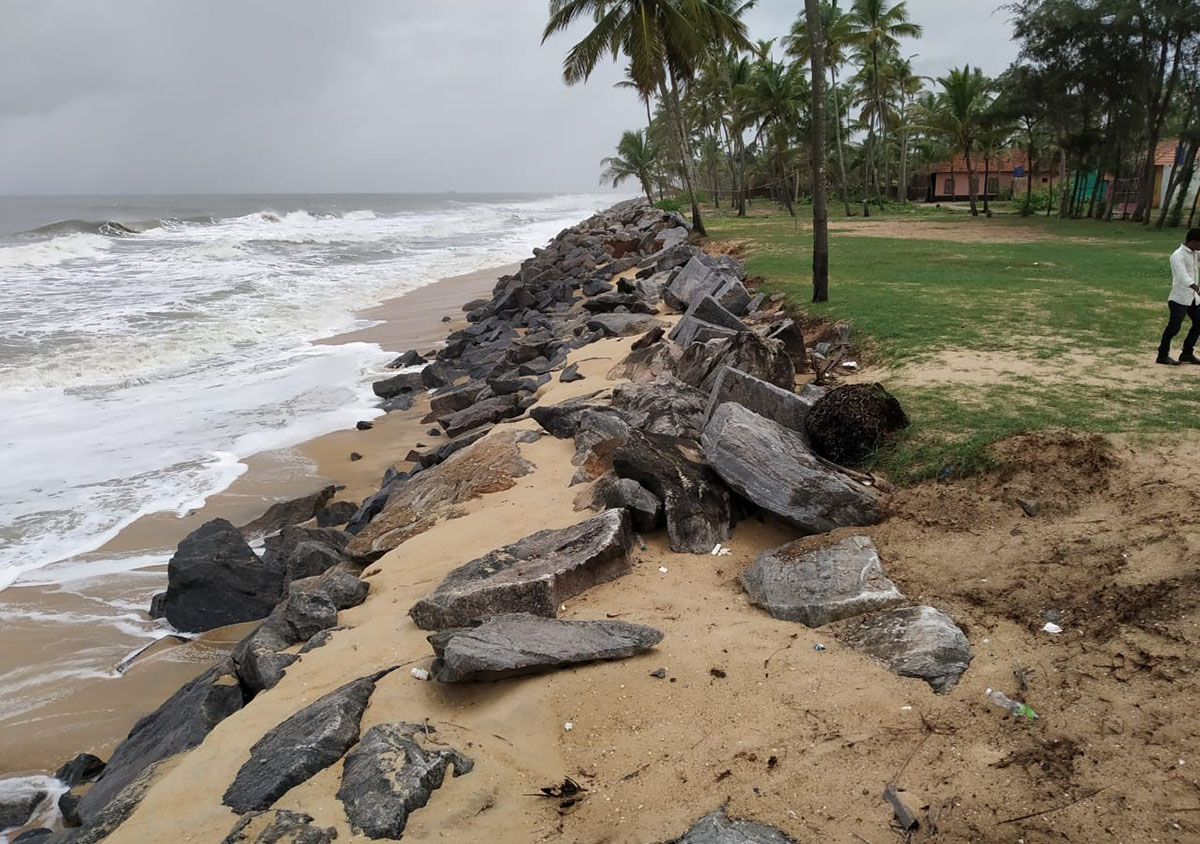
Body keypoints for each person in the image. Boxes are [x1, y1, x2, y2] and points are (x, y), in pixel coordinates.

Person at [1157, 228, 1200, 366]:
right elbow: (1182, 276)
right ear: (1193, 241)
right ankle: (1162, 355)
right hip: (1179, 298)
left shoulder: (1195, 253)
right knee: (1174, 328)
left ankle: (1187, 353)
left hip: (1193, 298)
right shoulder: (1178, 255)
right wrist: (1196, 287)